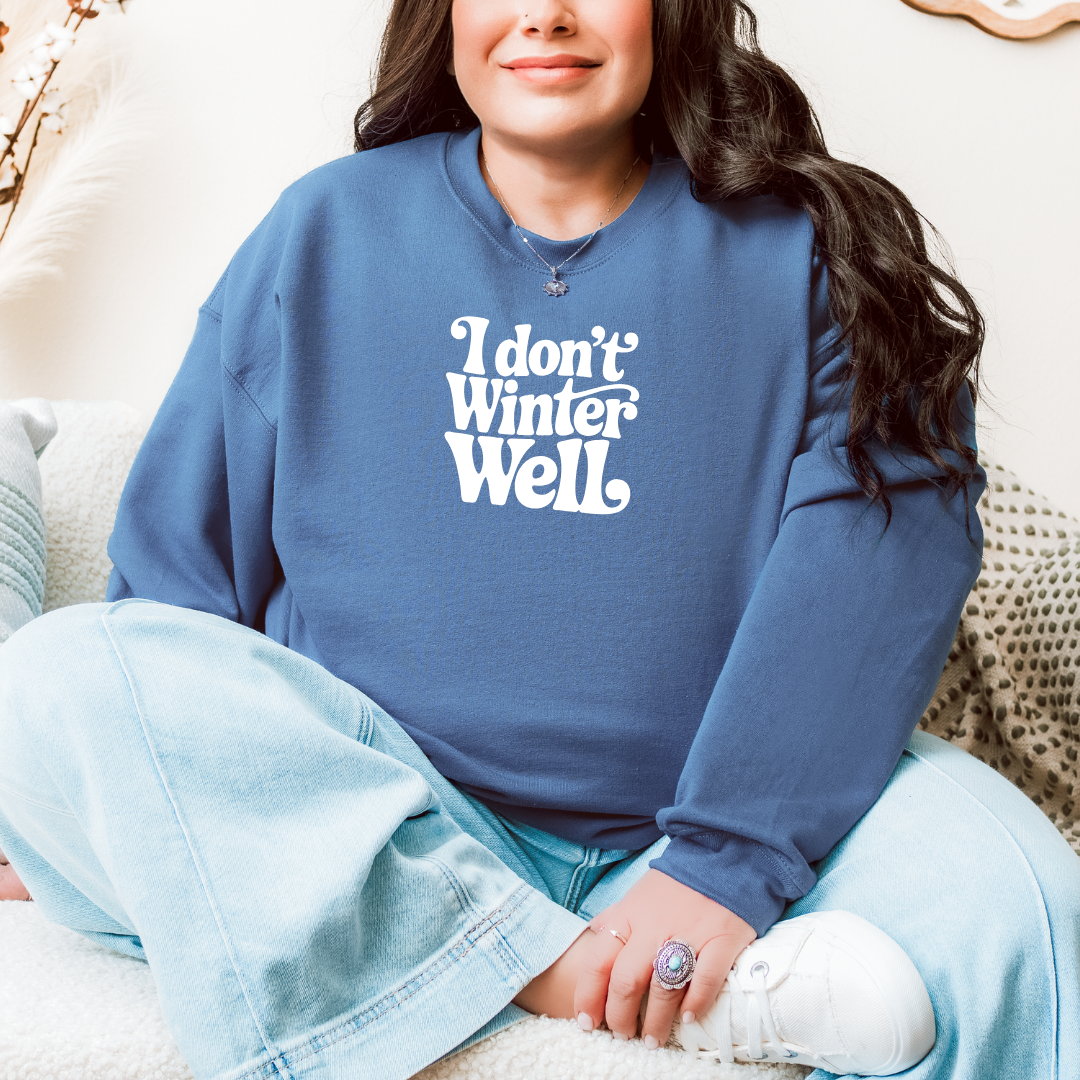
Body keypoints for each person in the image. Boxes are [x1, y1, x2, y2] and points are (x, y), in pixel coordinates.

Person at [1, 1, 1078, 1077]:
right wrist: (117, 791)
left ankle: (490, 961)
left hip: (688, 830)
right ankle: (570, 974)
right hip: (382, 833)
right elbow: (174, 608)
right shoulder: (322, 230)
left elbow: (876, 568)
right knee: (52, 680)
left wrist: (720, 863)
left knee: (1015, 905)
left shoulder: (811, 259)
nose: (547, 16)